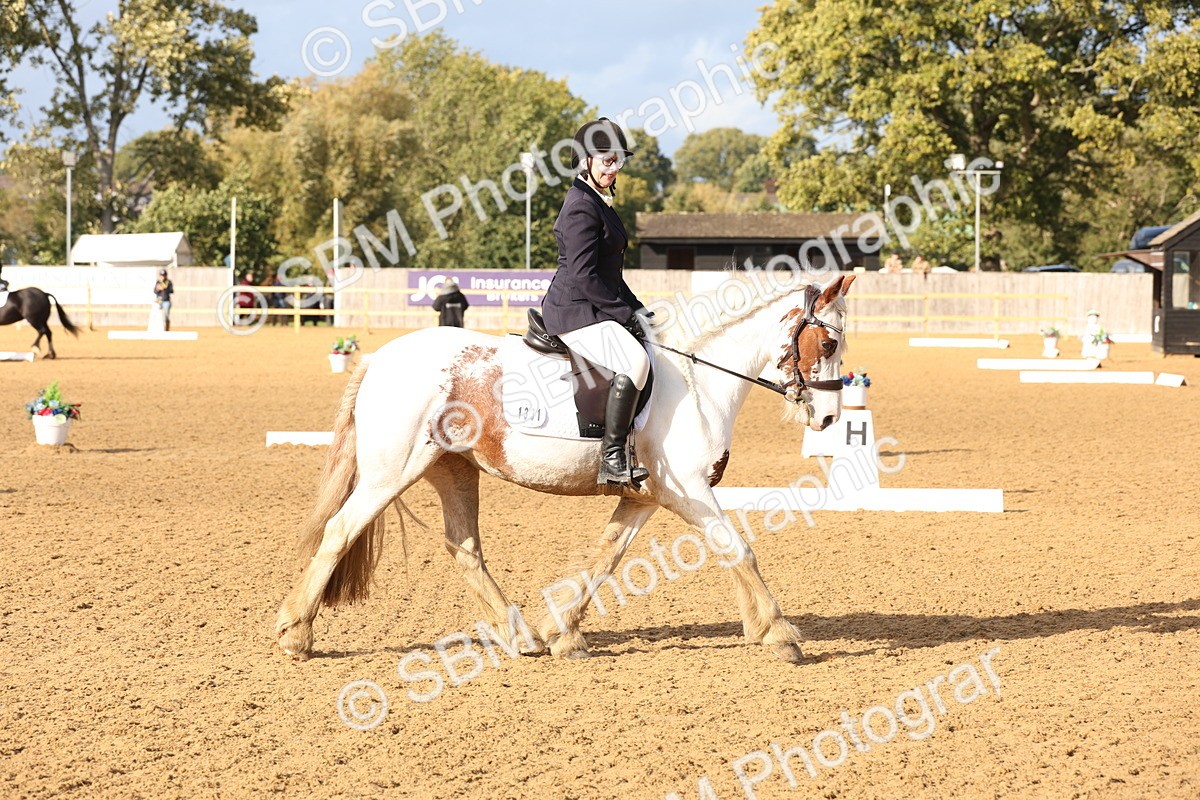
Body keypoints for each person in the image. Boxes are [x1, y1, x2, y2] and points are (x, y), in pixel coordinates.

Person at [541, 117, 653, 488]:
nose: (615, 168)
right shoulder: (580, 206)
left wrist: (637, 309)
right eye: (607, 160)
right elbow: (585, 276)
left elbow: (612, 275)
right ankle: (612, 457)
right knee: (635, 361)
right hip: (574, 310)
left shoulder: (599, 201)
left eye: (619, 161)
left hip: (592, 305)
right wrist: (622, 315)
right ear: (585, 160)